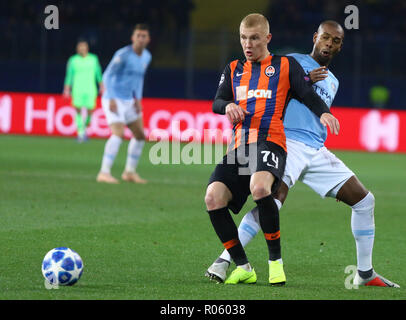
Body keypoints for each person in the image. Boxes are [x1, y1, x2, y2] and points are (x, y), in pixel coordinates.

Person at [206, 20, 400, 288]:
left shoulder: (333, 81)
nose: (329, 44)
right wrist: (307, 80)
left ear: (340, 46)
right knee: (271, 201)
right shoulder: (291, 61)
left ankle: (364, 273)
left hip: (316, 150)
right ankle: (225, 259)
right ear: (315, 38)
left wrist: (325, 114)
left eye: (335, 40)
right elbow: (280, 91)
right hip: (287, 142)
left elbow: (310, 99)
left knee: (365, 201)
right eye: (325, 38)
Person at [205, 14, 340, 285]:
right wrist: (227, 106)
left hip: (272, 141)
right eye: (243, 38)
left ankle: (275, 262)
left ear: (267, 38)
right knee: (212, 197)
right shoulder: (233, 68)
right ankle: (243, 266)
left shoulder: (284, 65)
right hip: (241, 144)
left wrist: (323, 113)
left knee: (260, 187)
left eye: (254, 38)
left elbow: (307, 93)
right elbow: (217, 101)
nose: (248, 44)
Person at [96, 24, 152, 184]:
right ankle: (104, 172)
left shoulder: (147, 56)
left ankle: (129, 172)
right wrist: (111, 97)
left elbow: (139, 79)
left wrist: (138, 99)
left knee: (140, 136)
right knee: (118, 134)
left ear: (148, 39)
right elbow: (107, 75)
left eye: (144, 36)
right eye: (138, 35)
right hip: (113, 98)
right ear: (132, 38)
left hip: (129, 100)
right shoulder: (123, 54)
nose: (141, 39)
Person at [63, 39, 104, 142]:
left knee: (90, 111)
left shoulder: (93, 59)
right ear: (77, 48)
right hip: (77, 89)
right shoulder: (73, 60)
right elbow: (69, 75)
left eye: (84, 46)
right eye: (80, 47)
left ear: (87, 48)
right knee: (78, 111)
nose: (82, 48)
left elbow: (98, 73)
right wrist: (66, 88)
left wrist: (102, 85)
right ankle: (80, 133)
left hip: (90, 89)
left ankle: (84, 127)